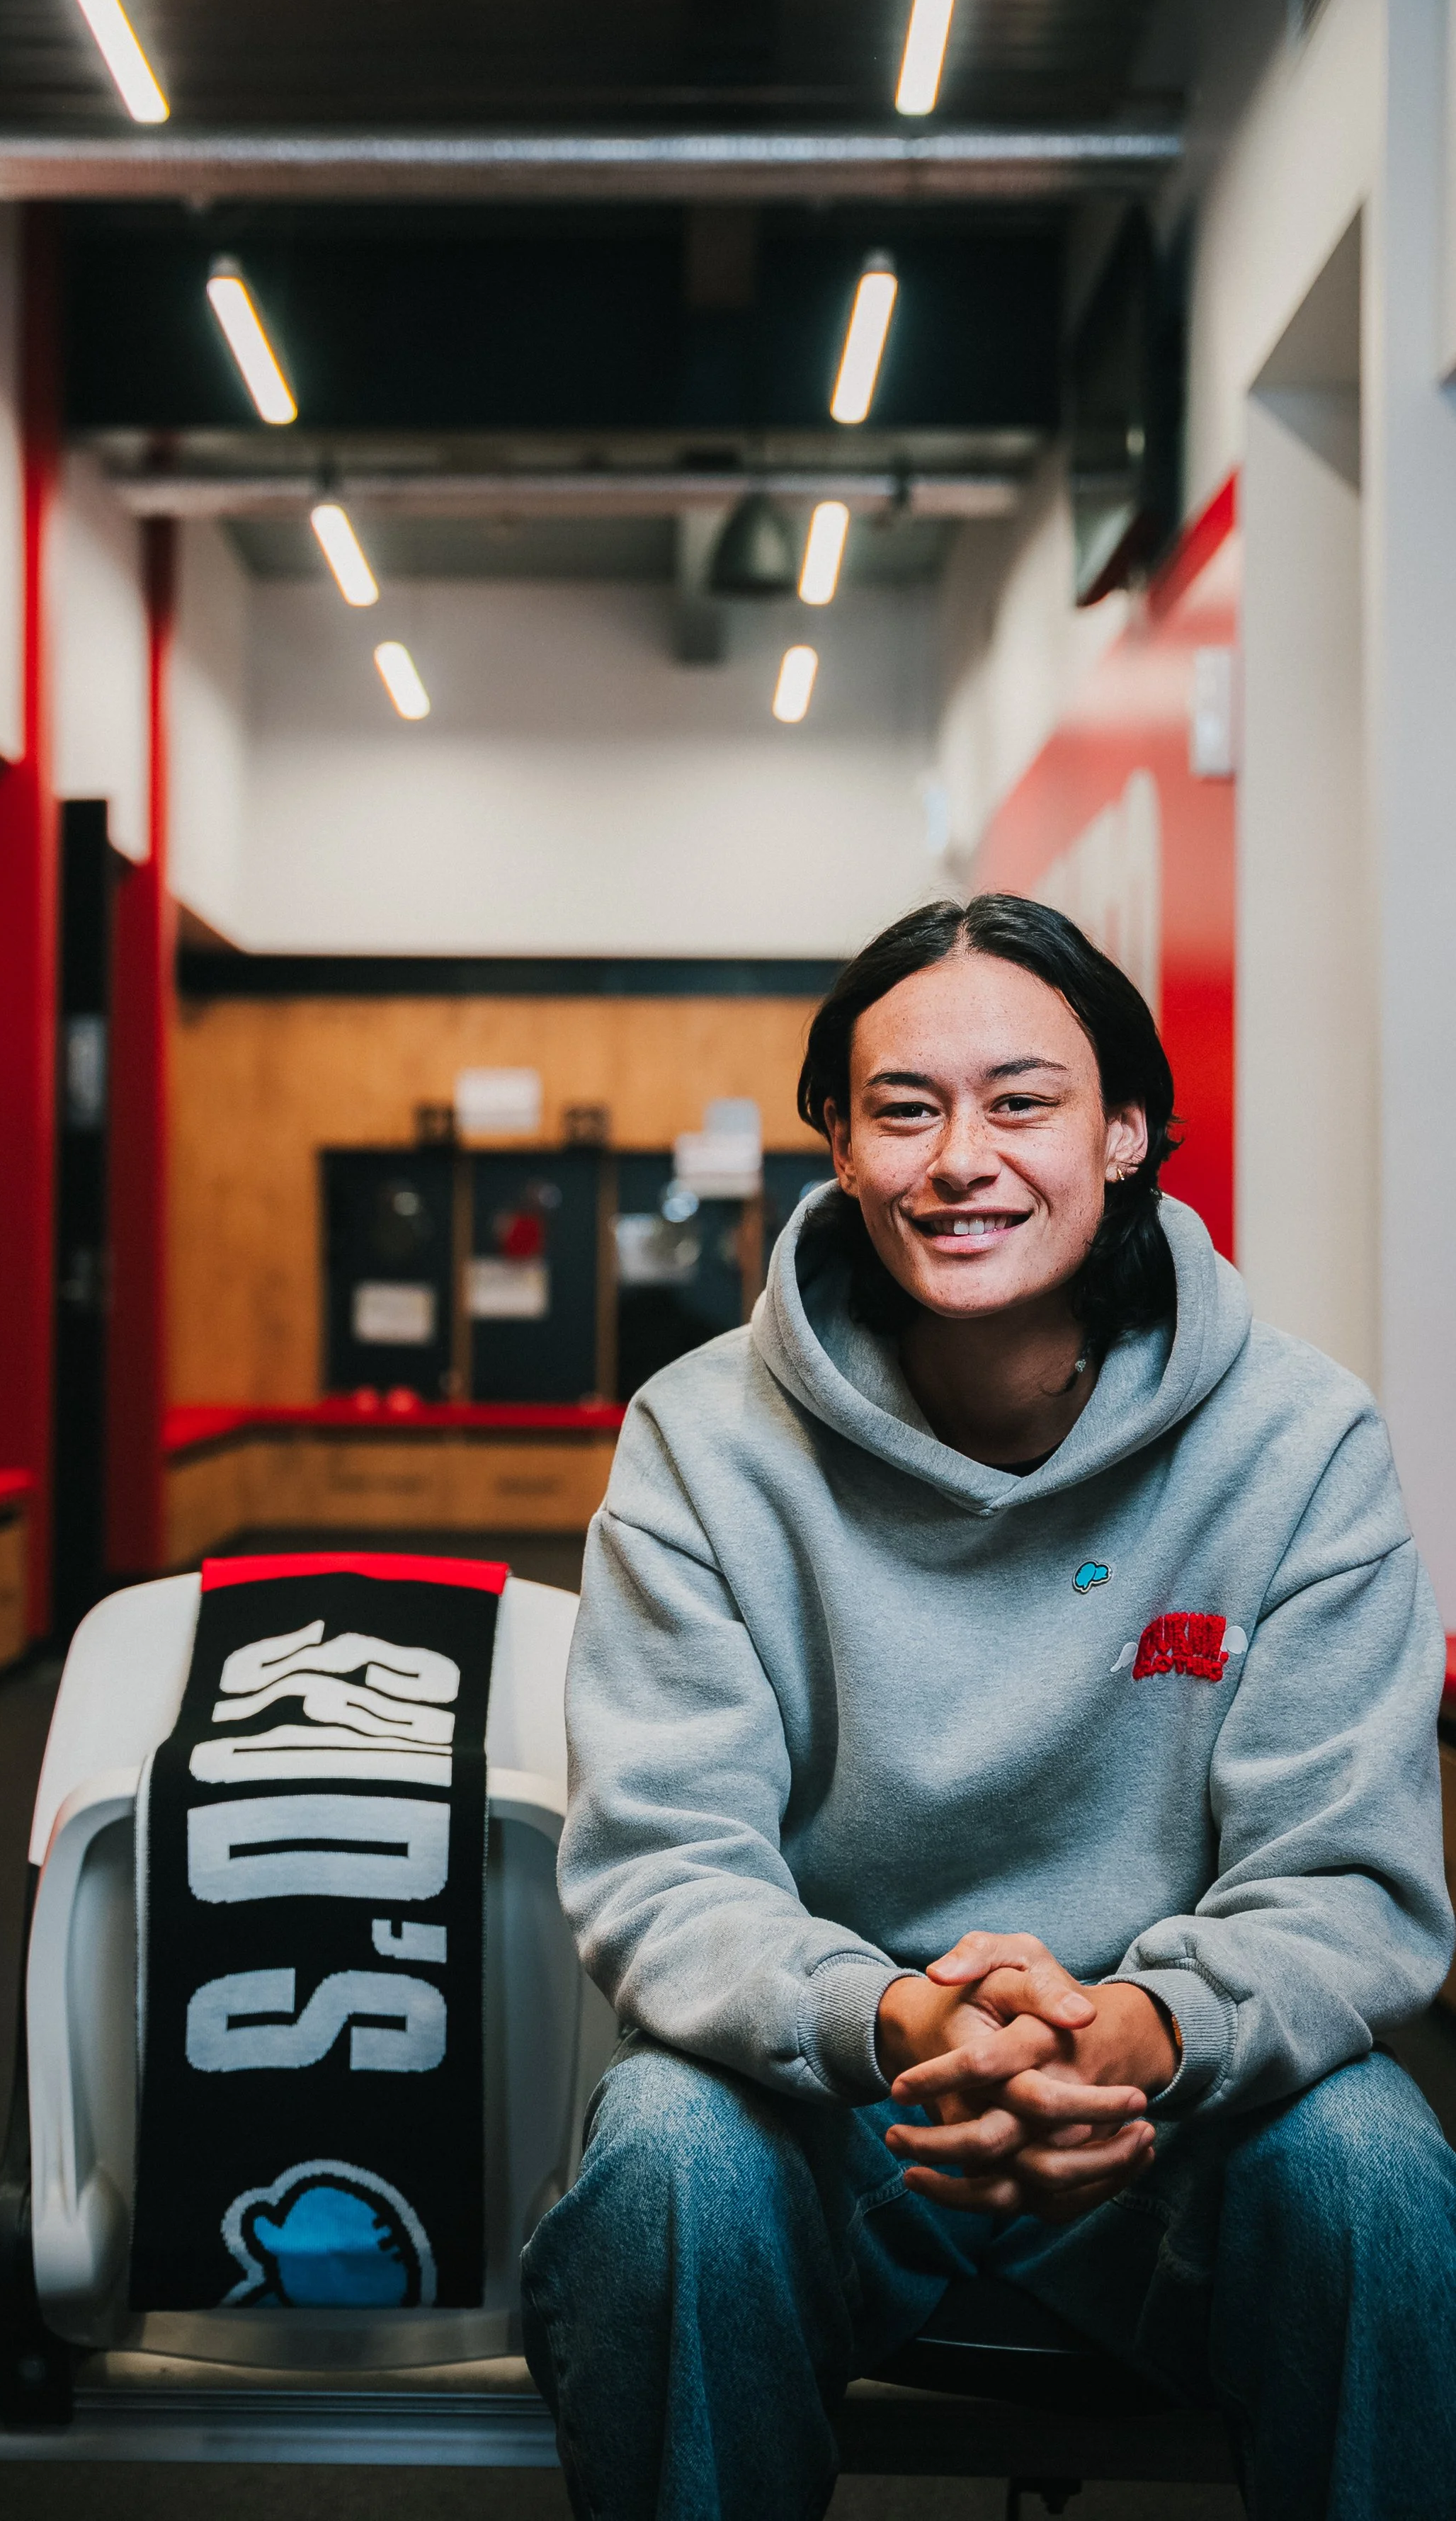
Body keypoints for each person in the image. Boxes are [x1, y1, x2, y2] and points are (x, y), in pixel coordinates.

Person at [521, 894, 1456, 2521]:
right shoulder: (697, 1440)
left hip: (1177, 2116)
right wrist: (901, 2026)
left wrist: (1138, 2031)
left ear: (1122, 1134)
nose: (961, 1157)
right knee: (666, 2153)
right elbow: (664, 1869)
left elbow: (1347, 1882)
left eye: (1021, 1100)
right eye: (903, 1108)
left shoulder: (1299, 1444)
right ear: (838, 1141)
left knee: (1371, 2165)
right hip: (834, 2106)